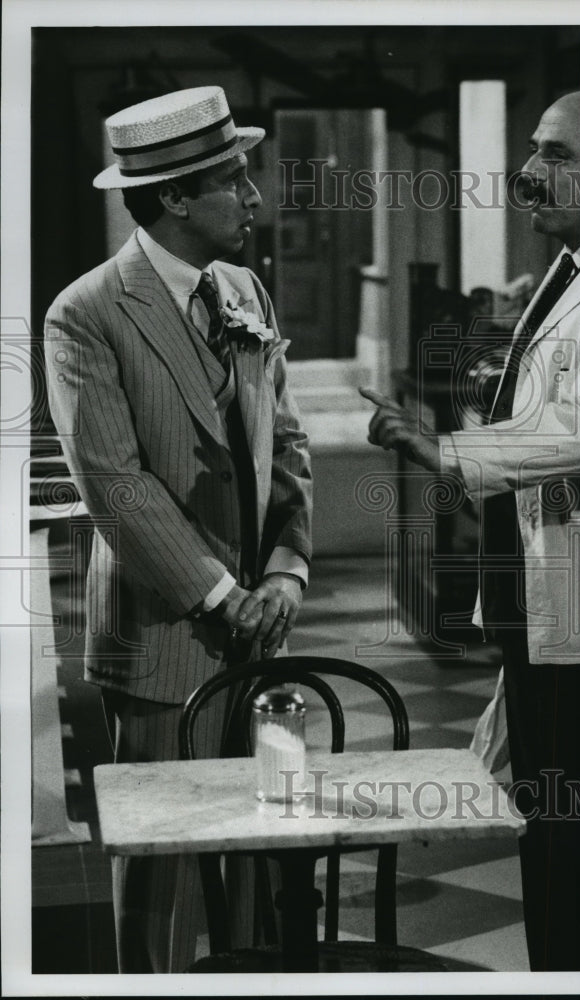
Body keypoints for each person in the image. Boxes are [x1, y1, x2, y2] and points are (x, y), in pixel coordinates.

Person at [361, 89, 580, 971]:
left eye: (556, 156)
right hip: (548, 603)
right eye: (531, 150)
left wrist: (447, 448)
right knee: (553, 840)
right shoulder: (577, 260)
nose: (529, 173)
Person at [44, 86, 312, 972]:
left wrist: (284, 571)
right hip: (166, 631)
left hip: (260, 627)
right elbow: (114, 483)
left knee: (258, 852)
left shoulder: (244, 289)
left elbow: (288, 443)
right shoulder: (86, 313)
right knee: (166, 875)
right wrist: (222, 593)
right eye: (234, 181)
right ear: (173, 198)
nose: (254, 198)